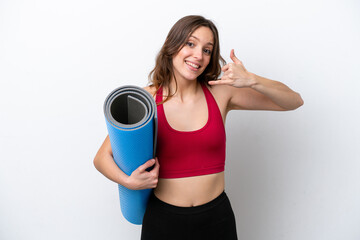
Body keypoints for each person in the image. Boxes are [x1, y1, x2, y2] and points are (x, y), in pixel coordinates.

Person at [94, 15, 303, 240]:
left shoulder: (222, 93)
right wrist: (128, 181)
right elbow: (101, 157)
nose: (198, 55)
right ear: (173, 45)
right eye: (191, 44)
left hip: (216, 219)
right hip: (163, 221)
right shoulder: (148, 98)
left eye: (207, 50)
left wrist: (252, 80)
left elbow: (293, 101)